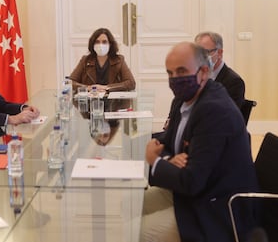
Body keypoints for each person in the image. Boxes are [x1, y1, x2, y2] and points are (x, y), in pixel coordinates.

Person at [141, 42, 258, 242]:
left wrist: (155, 161)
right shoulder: (181, 99)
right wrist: (170, 160)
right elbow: (168, 145)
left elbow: (191, 181)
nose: (175, 79)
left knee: (135, 232)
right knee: (127, 207)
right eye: (170, 73)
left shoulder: (214, 110)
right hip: (188, 191)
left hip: (214, 207)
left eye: (181, 71)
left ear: (204, 72)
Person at [69, 28, 136, 92]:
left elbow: (131, 83)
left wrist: (106, 87)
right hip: (92, 101)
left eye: (104, 42)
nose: (100, 45)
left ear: (110, 44)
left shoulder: (119, 60)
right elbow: (70, 82)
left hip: (114, 102)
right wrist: (88, 88)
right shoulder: (85, 60)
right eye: (97, 42)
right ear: (93, 44)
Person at [194, 31, 245, 108]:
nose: (201, 56)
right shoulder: (194, 76)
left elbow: (228, 116)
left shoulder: (234, 82)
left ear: (220, 53)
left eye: (206, 52)